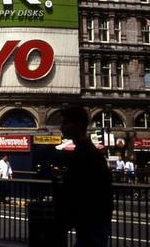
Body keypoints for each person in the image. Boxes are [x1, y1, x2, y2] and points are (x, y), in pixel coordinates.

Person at [56, 106, 113, 247]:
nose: (61, 128)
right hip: (92, 220)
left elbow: (80, 190)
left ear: (78, 125)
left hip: (91, 220)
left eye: (65, 123)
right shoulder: (85, 151)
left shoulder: (85, 154)